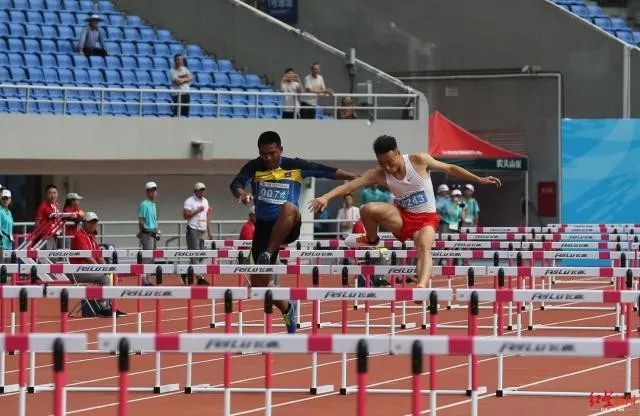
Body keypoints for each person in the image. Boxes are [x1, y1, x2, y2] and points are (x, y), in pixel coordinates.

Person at [309, 135, 501, 292]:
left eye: (389, 161)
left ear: (398, 153)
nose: (387, 167)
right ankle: (371, 239)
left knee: (424, 247)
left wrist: (479, 179)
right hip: (402, 217)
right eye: (381, 163)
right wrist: (326, 197)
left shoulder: (419, 160)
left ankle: (421, 286)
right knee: (367, 209)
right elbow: (350, 186)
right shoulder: (378, 173)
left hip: (426, 220)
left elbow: (450, 168)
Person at [229, 130, 359, 333]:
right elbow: (236, 183)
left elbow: (324, 171)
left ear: (281, 150)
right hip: (264, 229)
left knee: (289, 207)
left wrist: (353, 177)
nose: (268, 158)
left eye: (272, 153)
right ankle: (288, 307)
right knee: (259, 287)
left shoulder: (294, 165)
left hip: (289, 224)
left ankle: (268, 253)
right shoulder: (254, 166)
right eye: (263, 154)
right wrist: (241, 193)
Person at [71, 212, 126, 317]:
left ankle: (110, 306)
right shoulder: (79, 236)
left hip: (88, 270)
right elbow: (87, 256)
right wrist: (99, 268)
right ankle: (104, 308)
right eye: (90, 222)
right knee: (105, 278)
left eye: (94, 223)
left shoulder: (91, 237)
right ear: (84, 223)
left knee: (112, 275)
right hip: (78, 271)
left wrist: (108, 268)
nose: (93, 225)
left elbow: (98, 256)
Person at [182, 182, 211, 286]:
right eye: (200, 190)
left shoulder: (206, 201)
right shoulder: (189, 201)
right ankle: (200, 278)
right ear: (195, 191)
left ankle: (185, 272)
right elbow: (185, 216)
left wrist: (209, 231)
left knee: (202, 254)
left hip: (203, 230)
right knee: (195, 254)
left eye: (203, 190)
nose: (202, 192)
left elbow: (207, 216)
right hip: (193, 229)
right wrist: (197, 210)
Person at [137, 181, 158, 286]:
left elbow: (154, 219)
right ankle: (144, 280)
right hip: (147, 233)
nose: (153, 193)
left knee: (151, 258)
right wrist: (141, 232)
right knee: (146, 257)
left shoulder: (153, 204)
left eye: (155, 191)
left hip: (153, 233)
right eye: (151, 191)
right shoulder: (144, 204)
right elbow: (141, 220)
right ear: (147, 192)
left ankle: (147, 279)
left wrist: (157, 230)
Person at [35, 184, 61, 249]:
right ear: (46, 195)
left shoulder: (57, 205)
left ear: (57, 194)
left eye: (54, 193)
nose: (53, 195)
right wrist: (38, 236)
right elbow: (37, 222)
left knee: (54, 254)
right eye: (50, 193)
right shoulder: (43, 206)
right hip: (46, 235)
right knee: (47, 254)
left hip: (56, 234)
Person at [0, 190, 13, 265]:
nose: (5, 200)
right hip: (1, 243)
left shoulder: (9, 212)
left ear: (10, 200)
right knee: (1, 267)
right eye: (3, 198)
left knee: (8, 268)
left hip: (9, 243)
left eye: (7, 198)